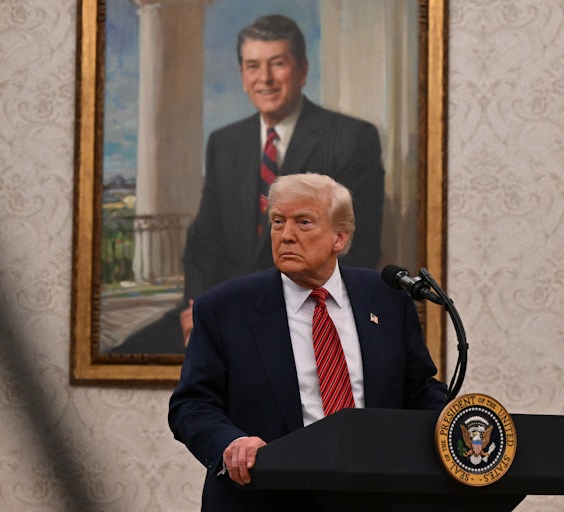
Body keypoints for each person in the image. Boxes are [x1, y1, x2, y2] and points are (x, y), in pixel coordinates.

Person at [168, 173, 447, 512]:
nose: (286, 235)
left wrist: (453, 423)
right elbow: (192, 405)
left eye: (303, 222)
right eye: (277, 222)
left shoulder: (386, 298)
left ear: (339, 238)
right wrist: (231, 443)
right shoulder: (225, 308)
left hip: (372, 497)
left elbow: (417, 389)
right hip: (264, 499)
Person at [110, 14, 384, 355]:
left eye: (277, 64)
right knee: (124, 353)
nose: (264, 78)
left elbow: (356, 251)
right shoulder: (225, 143)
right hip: (221, 309)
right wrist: (199, 307)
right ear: (242, 76)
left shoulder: (351, 139)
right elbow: (202, 245)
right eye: (253, 66)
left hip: (304, 318)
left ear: (301, 70)